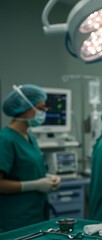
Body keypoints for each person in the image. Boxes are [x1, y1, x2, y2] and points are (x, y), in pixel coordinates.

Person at [0, 84, 61, 232]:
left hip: (36, 215)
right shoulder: (5, 139)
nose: (44, 113)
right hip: (16, 220)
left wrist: (48, 178)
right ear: (25, 108)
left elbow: (26, 170)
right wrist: (34, 185)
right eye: (41, 108)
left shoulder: (30, 138)